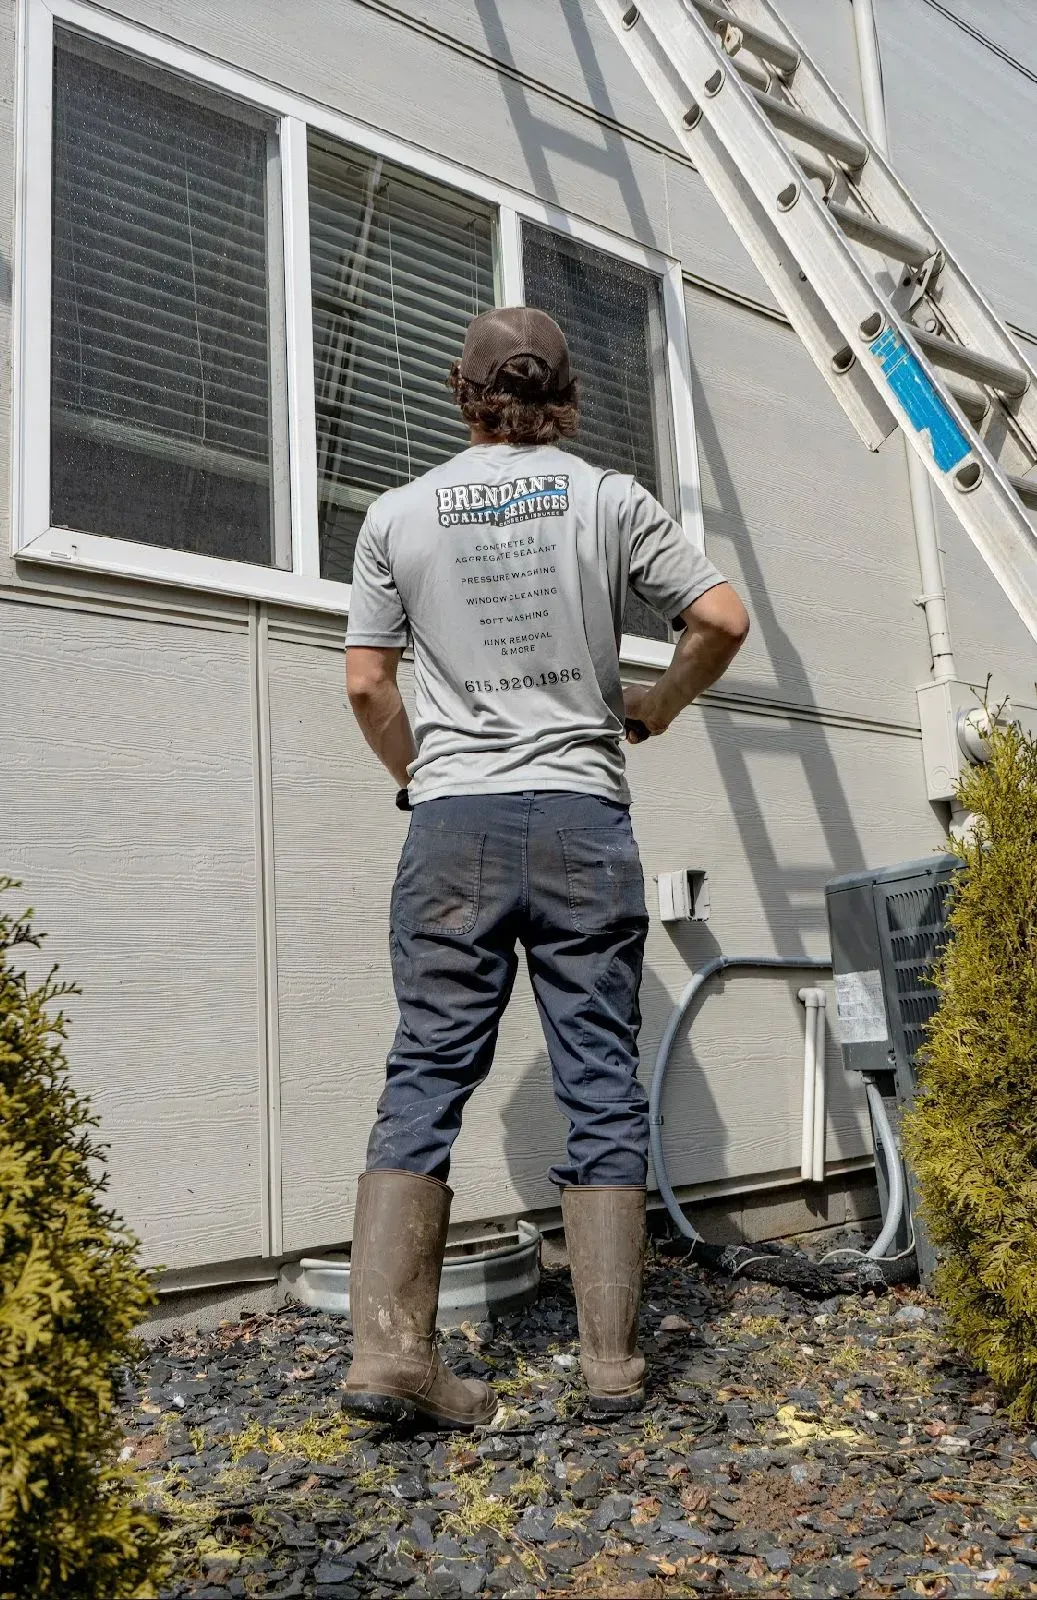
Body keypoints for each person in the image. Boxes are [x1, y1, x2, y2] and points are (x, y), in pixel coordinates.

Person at [342, 306, 749, 1430]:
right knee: (596, 1075)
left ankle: (390, 1355)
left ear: (462, 392)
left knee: (427, 1065)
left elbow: (369, 684)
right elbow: (719, 616)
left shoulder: (396, 514)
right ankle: (610, 1364)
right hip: (580, 819)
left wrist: (418, 775)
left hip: (452, 830)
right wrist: (654, 705)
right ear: (563, 396)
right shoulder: (607, 498)